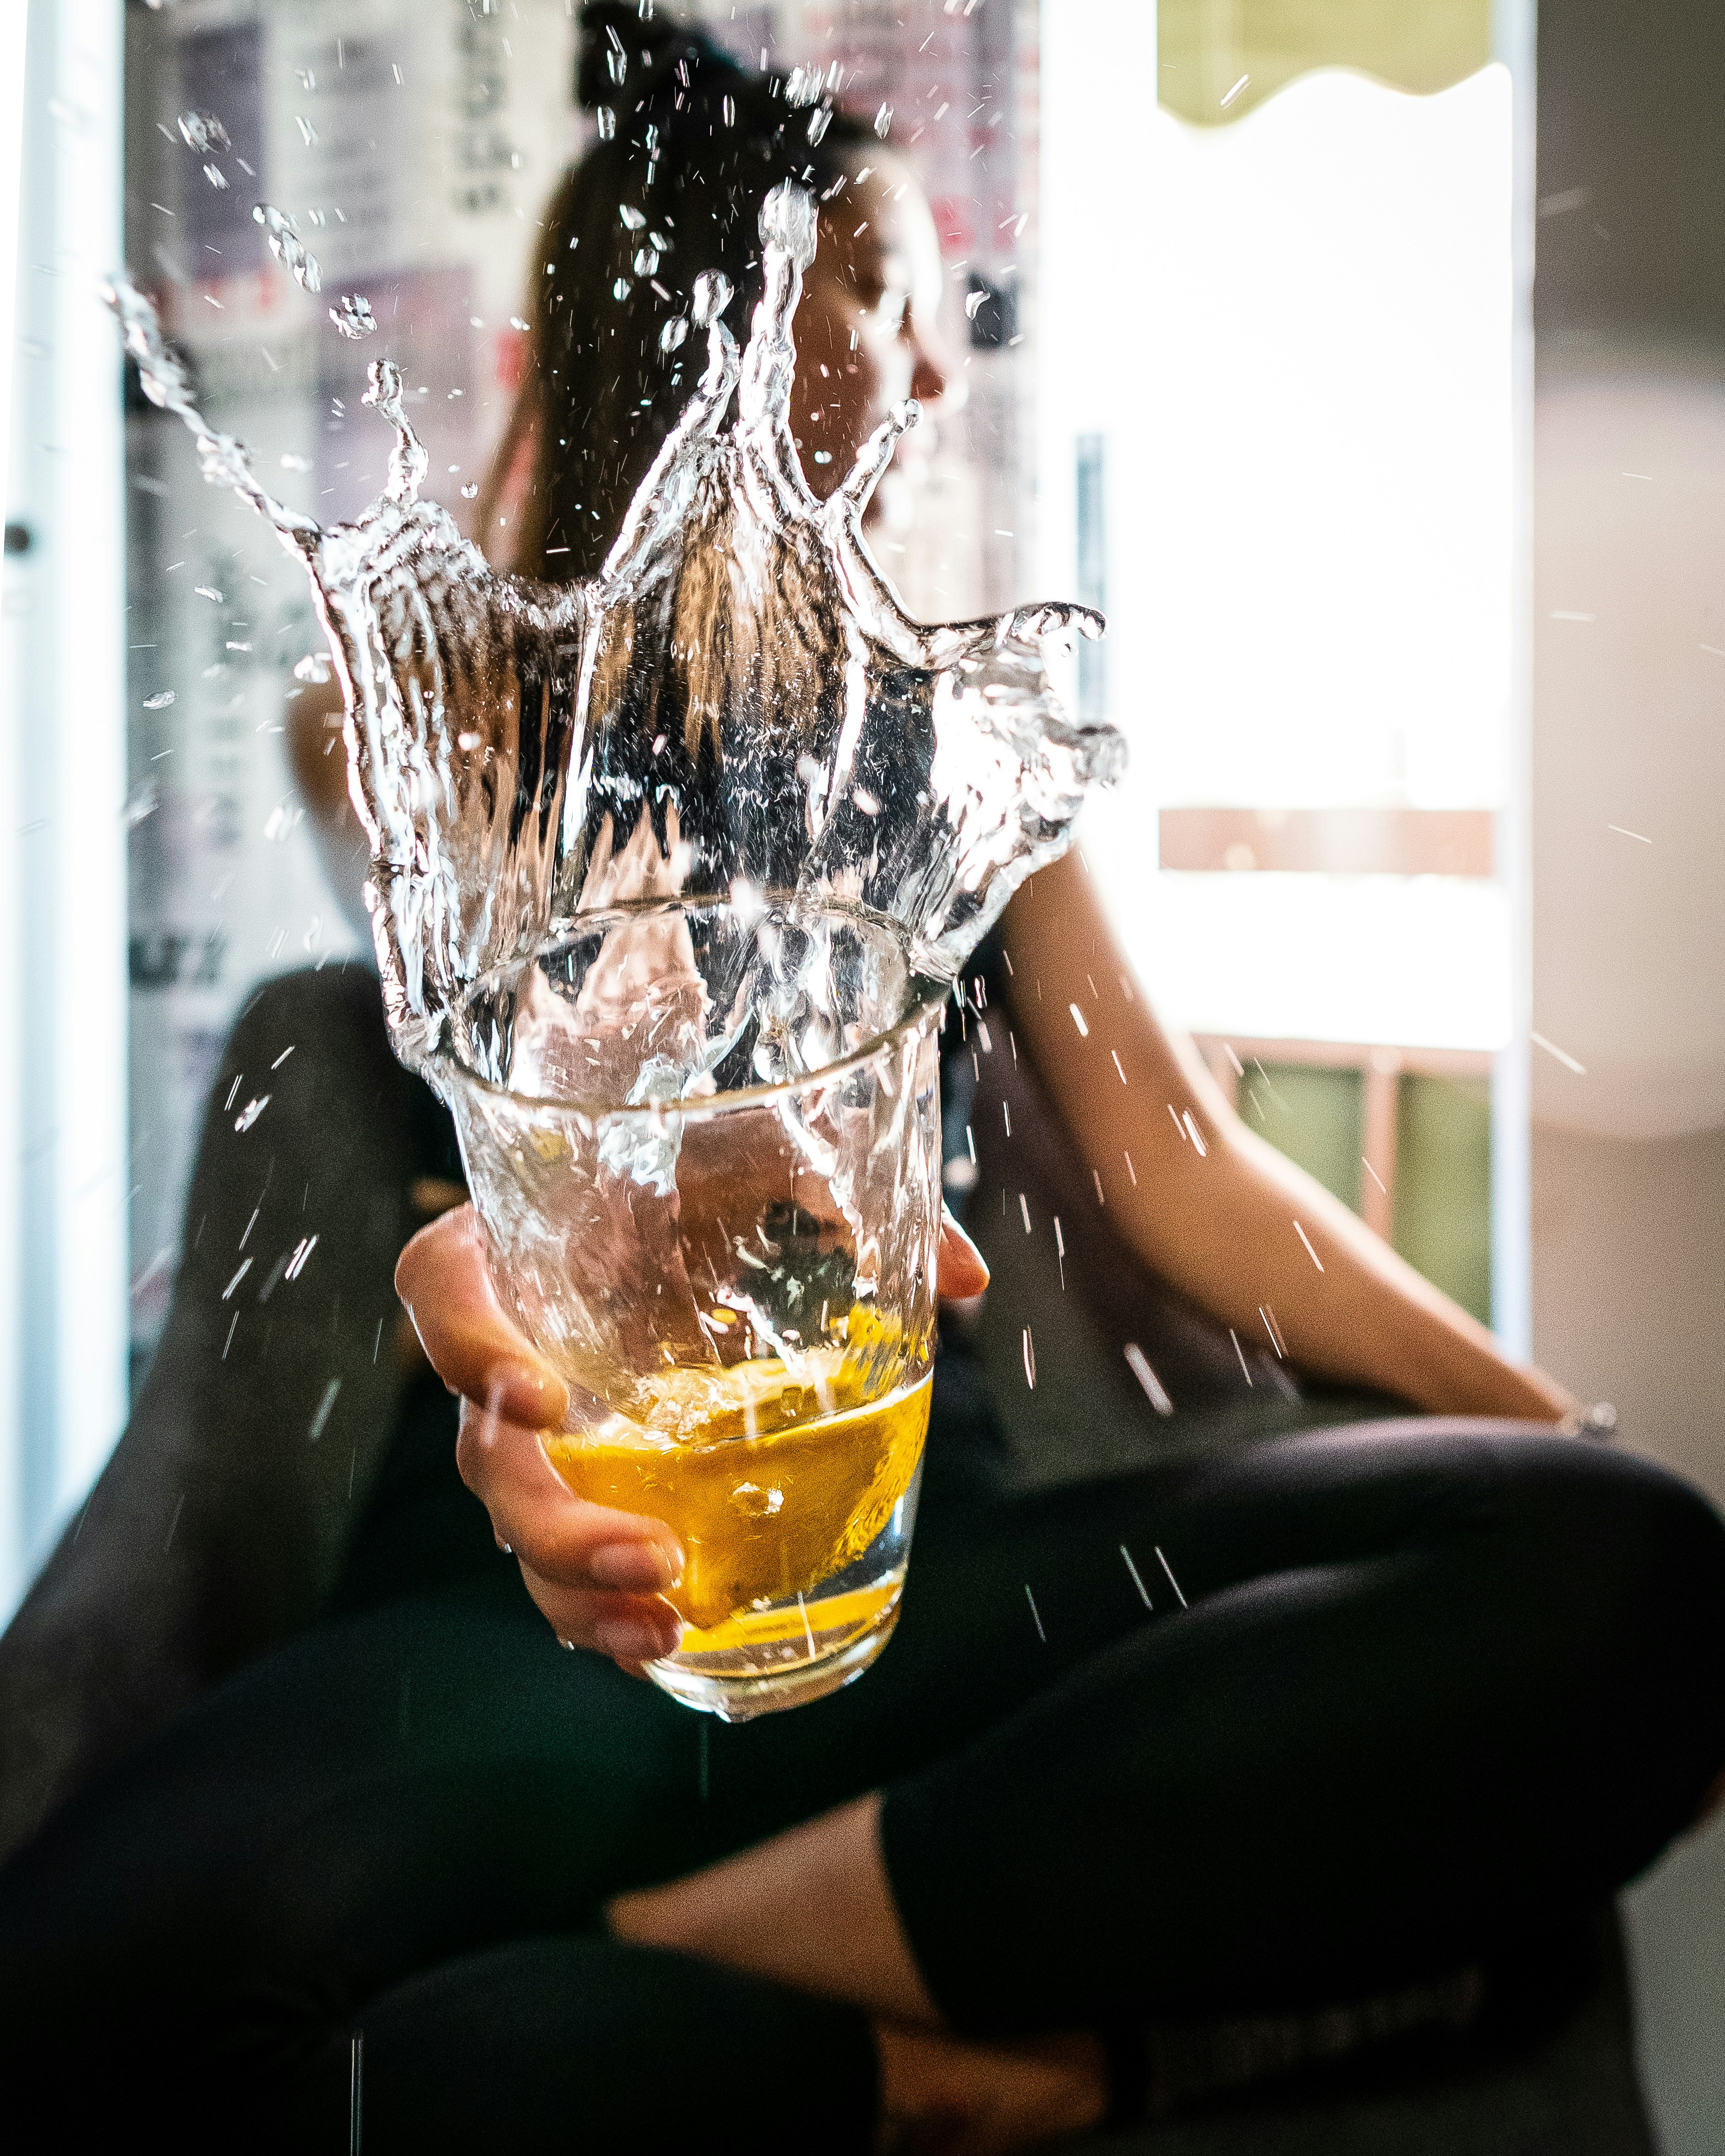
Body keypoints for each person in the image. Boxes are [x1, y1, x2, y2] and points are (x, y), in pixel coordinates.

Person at [2, 10, 1722, 2151]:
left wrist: (1543, 1421)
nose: (930, 372)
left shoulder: (963, 747)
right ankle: (921, 2053)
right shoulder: (436, 711)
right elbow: (523, 1035)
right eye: (882, 296)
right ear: (724, 315)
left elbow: (1188, 1175)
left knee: (1639, 1567)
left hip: (921, 1568)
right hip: (541, 1609)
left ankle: (702, 1959)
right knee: (57, 1992)